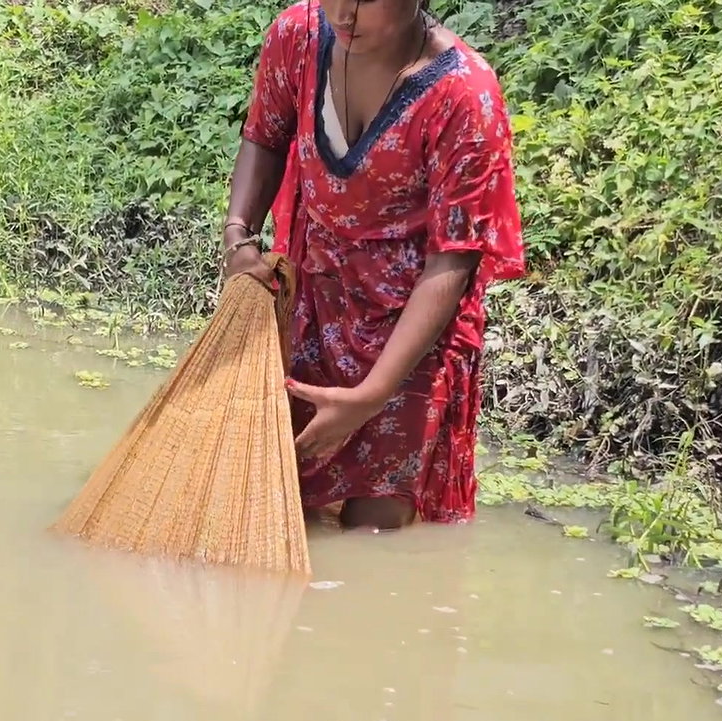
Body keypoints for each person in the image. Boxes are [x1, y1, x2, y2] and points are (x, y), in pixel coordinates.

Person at [221, 0, 526, 532]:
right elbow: (264, 137)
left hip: (407, 339)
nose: (345, 13)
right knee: (279, 499)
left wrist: (371, 395)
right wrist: (238, 234)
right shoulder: (298, 36)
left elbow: (450, 262)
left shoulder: (463, 96)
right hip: (310, 304)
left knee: (374, 527)